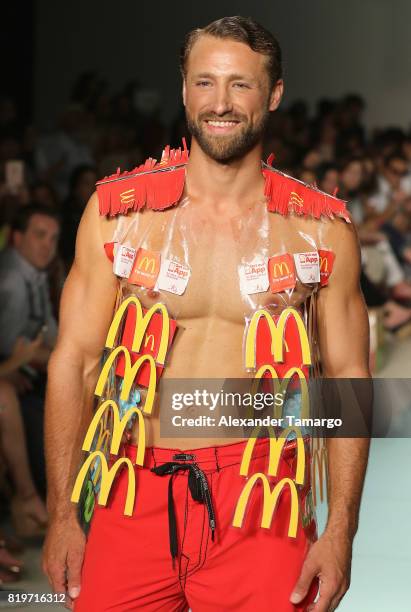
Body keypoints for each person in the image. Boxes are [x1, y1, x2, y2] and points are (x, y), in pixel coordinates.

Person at [43, 16, 370, 612]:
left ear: (272, 94)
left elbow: (349, 380)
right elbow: (76, 361)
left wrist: (341, 530)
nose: (220, 103)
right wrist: (62, 513)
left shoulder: (319, 229)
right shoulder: (120, 213)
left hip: (262, 497)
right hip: (130, 489)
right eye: (204, 83)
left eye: (240, 85)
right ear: (184, 90)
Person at [0, 204, 60, 498]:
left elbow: (51, 332)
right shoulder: (11, 280)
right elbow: (10, 345)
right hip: (13, 374)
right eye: (40, 235)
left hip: (24, 370)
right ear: (17, 238)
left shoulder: (34, 274)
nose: (47, 245)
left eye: (53, 238)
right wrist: (59, 360)